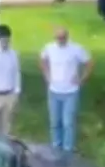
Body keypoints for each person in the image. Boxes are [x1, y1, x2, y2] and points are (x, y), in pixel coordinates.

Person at [40, 27, 93, 158]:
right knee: (54, 121)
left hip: (70, 92)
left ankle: (67, 150)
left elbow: (89, 63)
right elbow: (42, 60)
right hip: (54, 91)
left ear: (67, 37)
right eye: (58, 38)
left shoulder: (76, 49)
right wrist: (47, 75)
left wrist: (82, 79)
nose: (60, 40)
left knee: (68, 123)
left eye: (63, 38)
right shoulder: (49, 48)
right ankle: (56, 146)